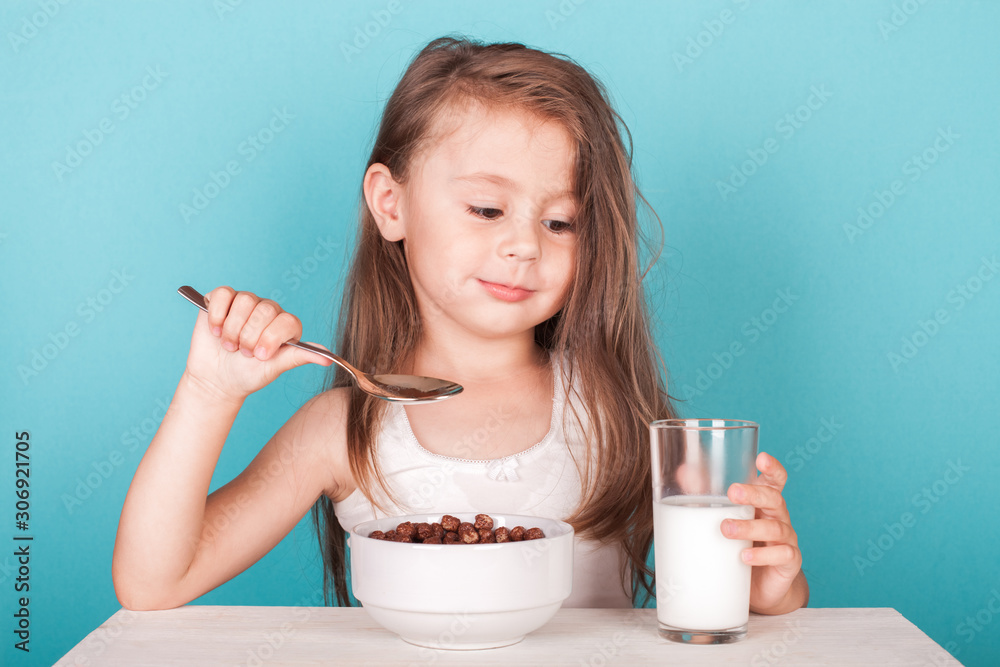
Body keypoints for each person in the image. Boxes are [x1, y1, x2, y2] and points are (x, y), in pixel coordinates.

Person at [112, 36, 808, 613]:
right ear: (391, 204)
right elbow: (153, 583)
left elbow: (733, 596)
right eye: (486, 209)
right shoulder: (342, 430)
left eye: (561, 221)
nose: (526, 245)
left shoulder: (611, 409)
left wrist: (769, 586)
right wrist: (209, 392)